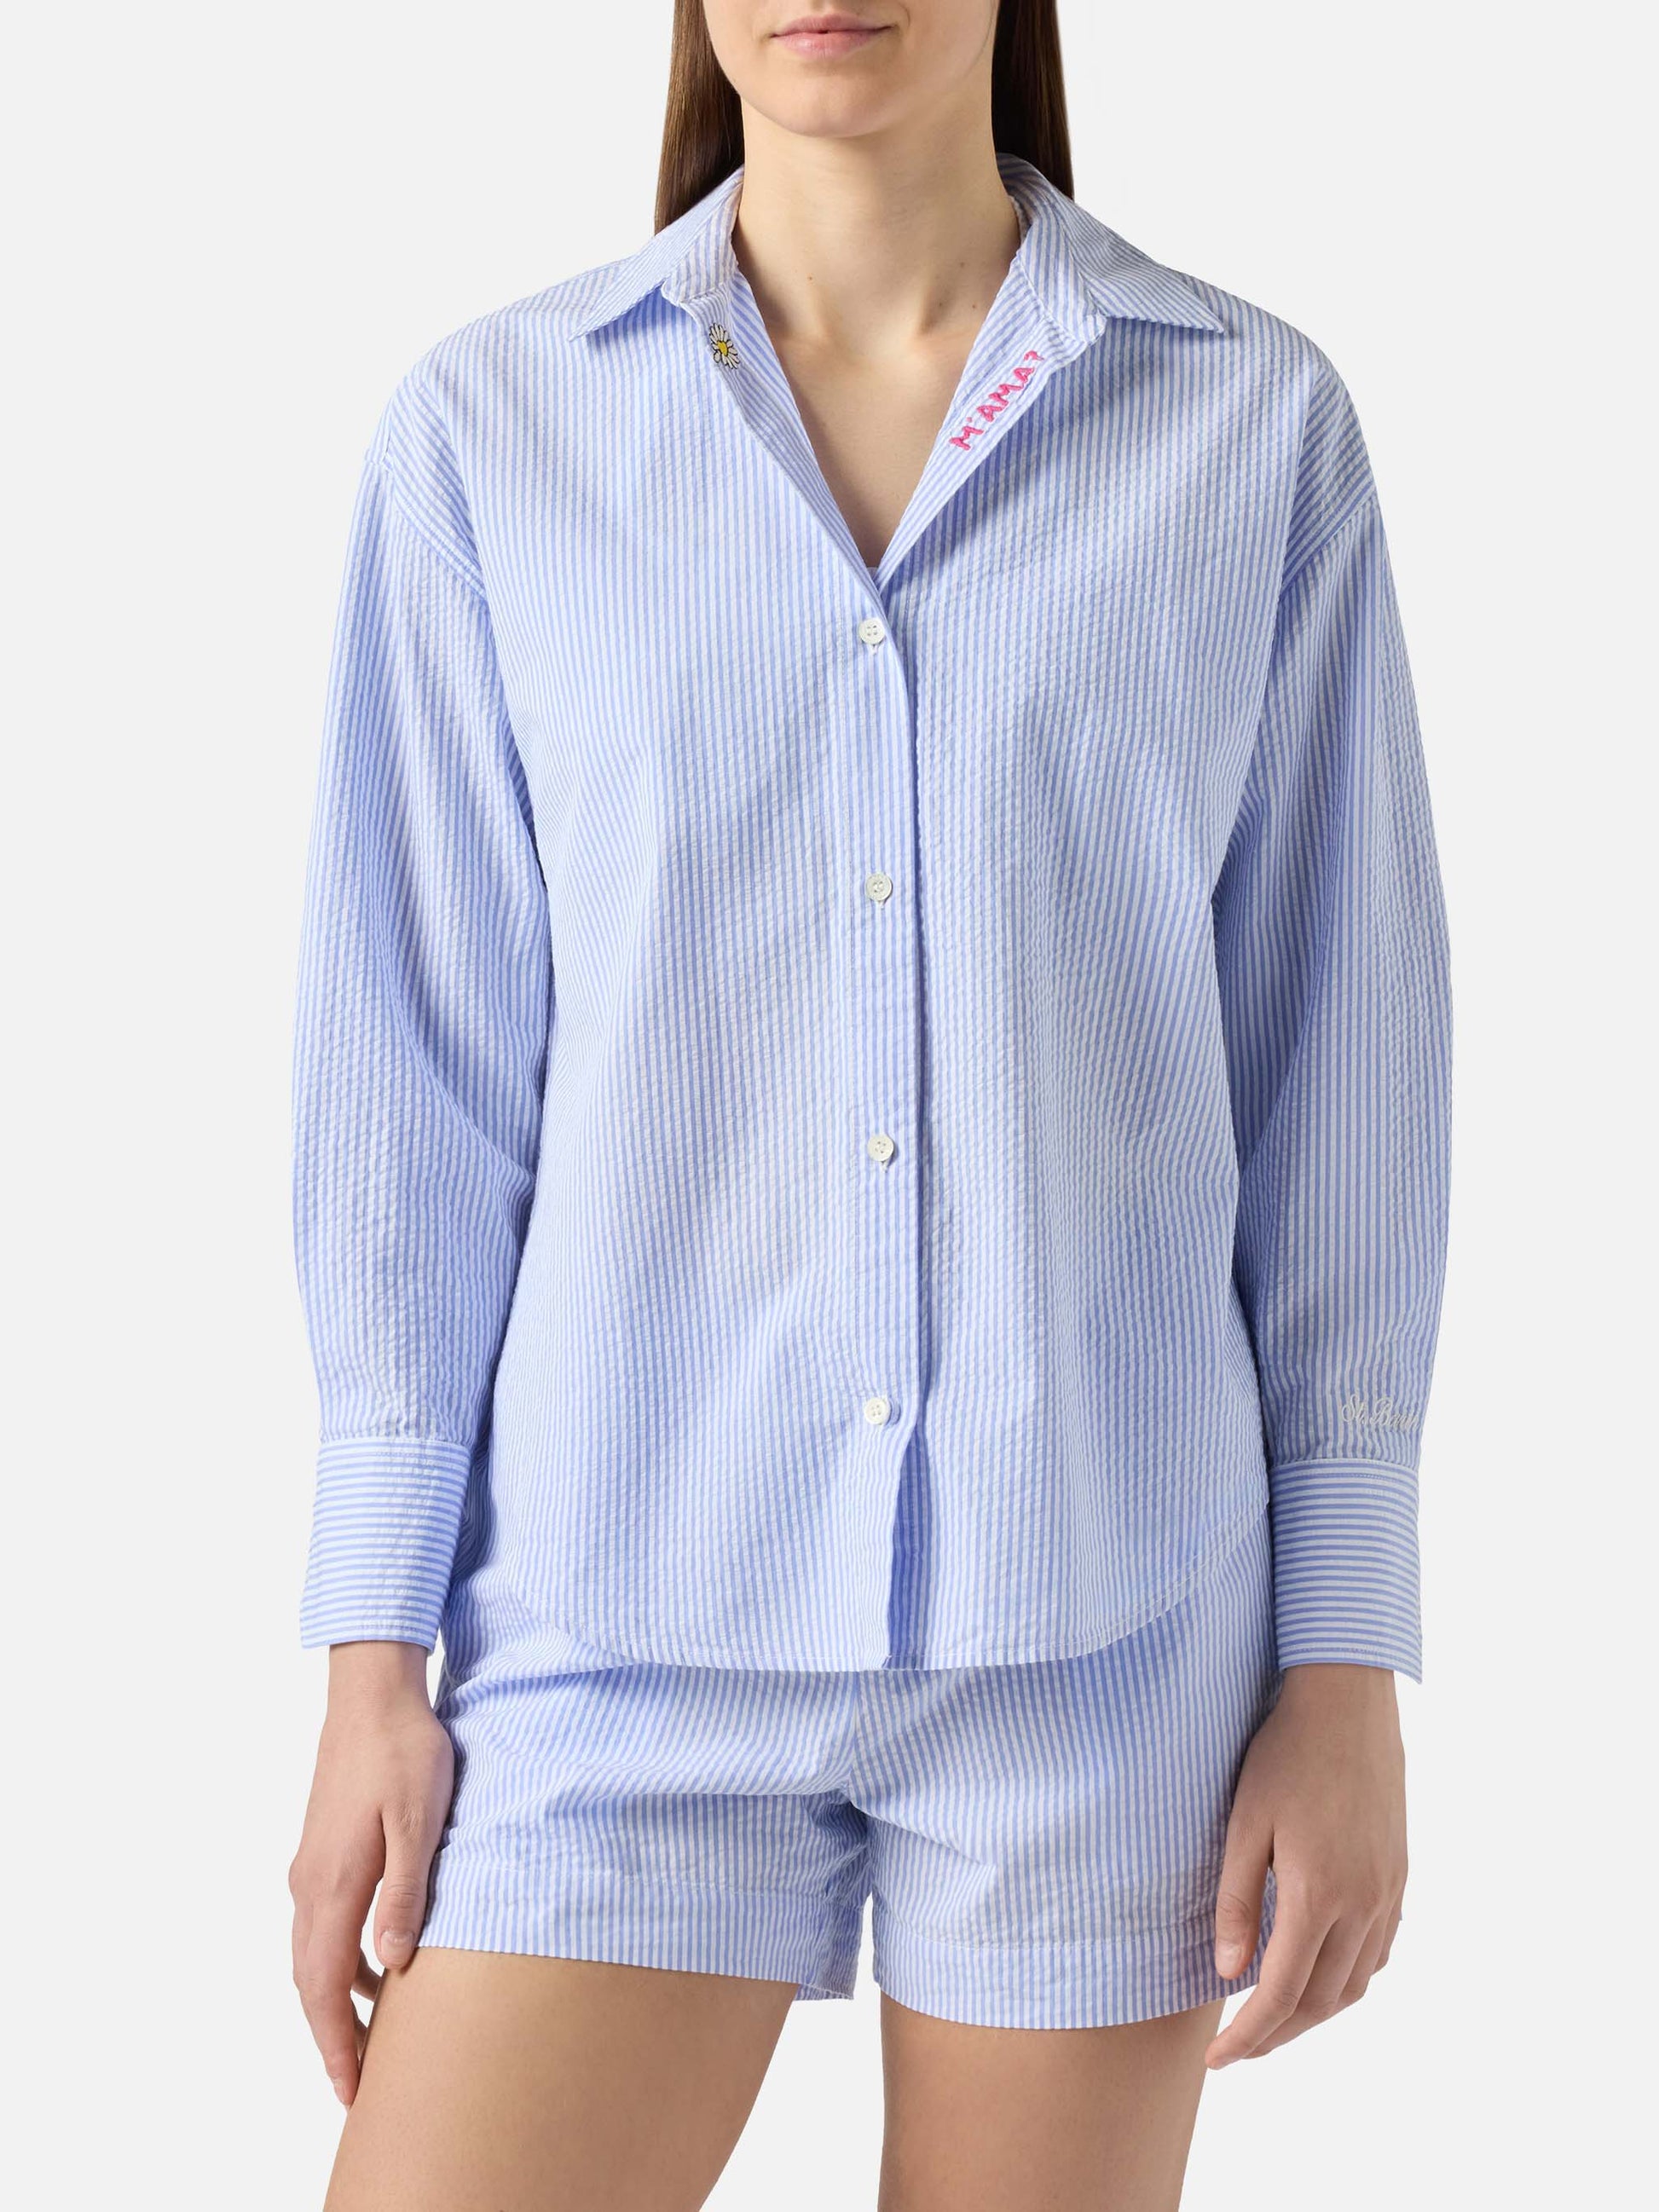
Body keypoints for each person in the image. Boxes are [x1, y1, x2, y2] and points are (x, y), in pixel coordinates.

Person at [286, 3, 1453, 2204]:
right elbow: (414, 1087)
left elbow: (1341, 1071)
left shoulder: (1248, 421)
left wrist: (1344, 1662)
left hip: (1109, 1621)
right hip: (615, 1613)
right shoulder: (496, 427)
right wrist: (371, 1661)